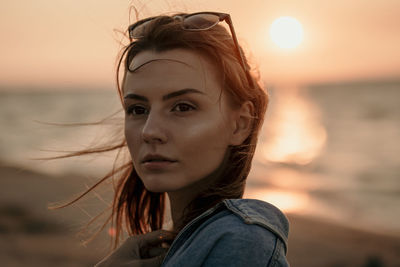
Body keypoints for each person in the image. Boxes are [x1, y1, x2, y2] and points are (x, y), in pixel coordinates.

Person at [85, 11, 289, 266]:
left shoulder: (239, 240)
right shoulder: (191, 241)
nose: (150, 131)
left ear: (240, 124)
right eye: (138, 109)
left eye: (182, 107)